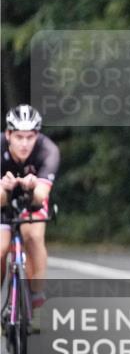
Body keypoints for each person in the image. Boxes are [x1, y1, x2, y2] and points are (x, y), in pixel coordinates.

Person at [1, 104, 60, 312]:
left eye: (30, 137)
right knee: (1, 248)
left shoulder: (48, 150)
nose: (25, 143)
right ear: (8, 134)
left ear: (37, 136)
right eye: (19, 137)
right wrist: (5, 189)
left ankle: (37, 297)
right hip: (2, 199)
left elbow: (40, 198)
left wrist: (32, 187)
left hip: (30, 198)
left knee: (33, 237)